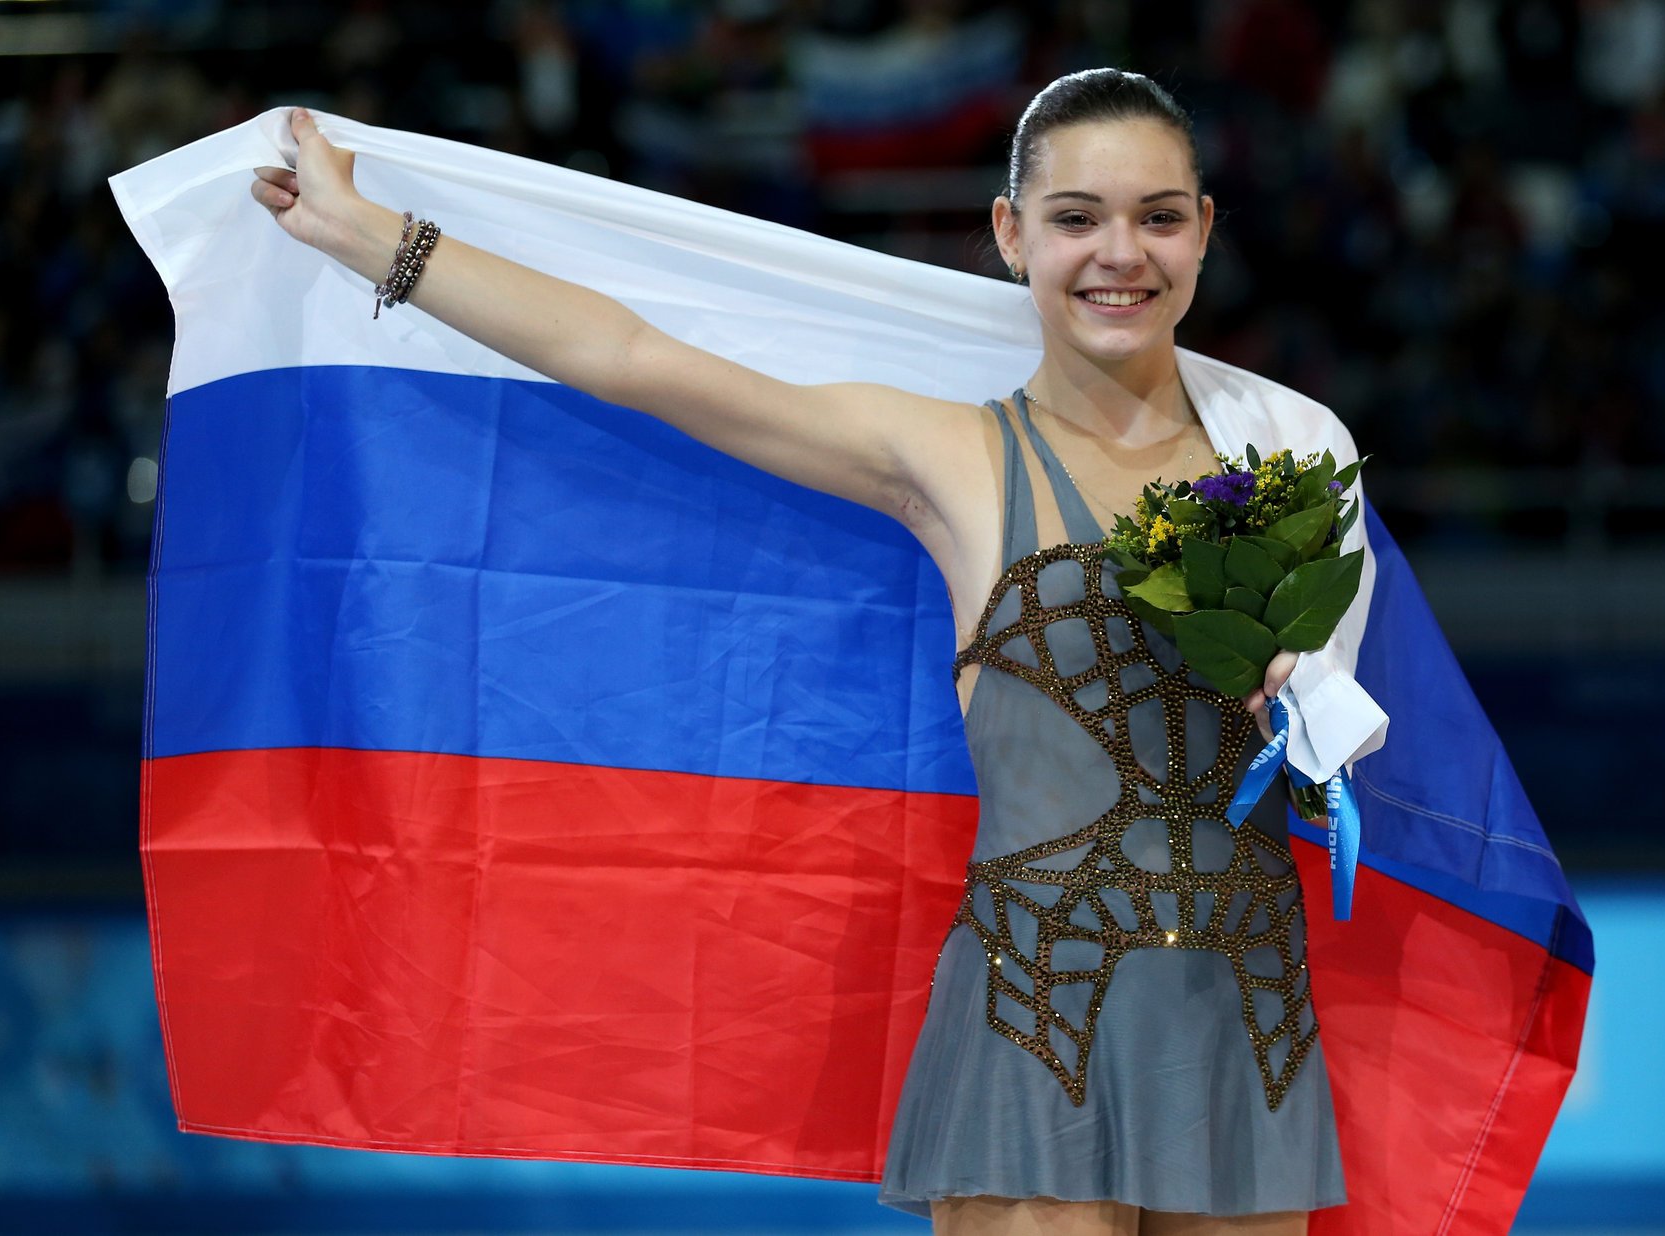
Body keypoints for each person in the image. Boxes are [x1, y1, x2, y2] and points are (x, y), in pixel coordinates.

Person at [253, 69, 1349, 1236]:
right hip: (1041, 1007)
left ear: (1204, 231)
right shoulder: (952, 459)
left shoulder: (1288, 458)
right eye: (1076, 217)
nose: (1118, 252)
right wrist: (364, 236)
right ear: (1009, 231)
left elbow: (1333, 748)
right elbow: (638, 357)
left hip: (1242, 1006)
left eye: (1158, 217)